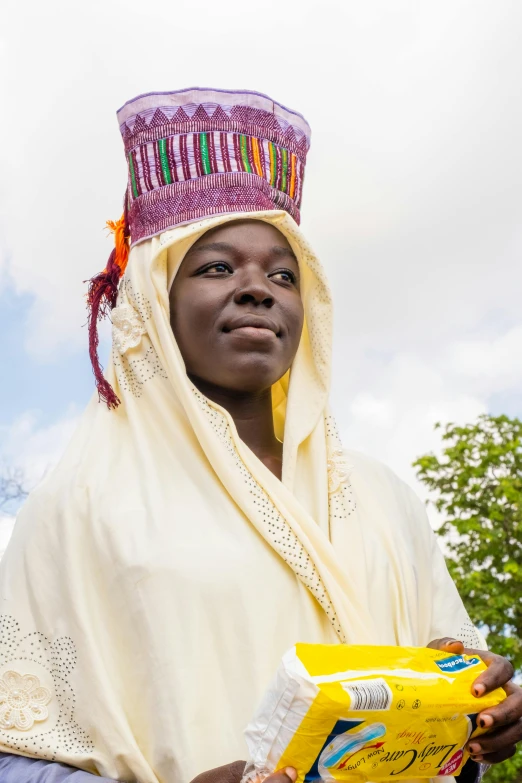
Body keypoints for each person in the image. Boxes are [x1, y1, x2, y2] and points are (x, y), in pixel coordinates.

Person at [0, 88, 520, 783]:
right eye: (217, 267)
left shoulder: (381, 494)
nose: (258, 288)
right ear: (156, 302)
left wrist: (485, 711)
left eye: (283, 273)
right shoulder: (81, 507)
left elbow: (446, 669)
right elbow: (16, 754)